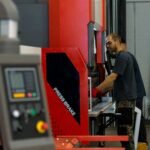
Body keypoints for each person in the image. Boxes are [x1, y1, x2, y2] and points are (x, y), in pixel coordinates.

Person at [92, 33, 137, 150]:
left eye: (109, 43)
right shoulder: (126, 56)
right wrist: (103, 90)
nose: (107, 46)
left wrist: (97, 89)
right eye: (106, 43)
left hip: (125, 100)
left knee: (125, 132)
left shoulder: (122, 57)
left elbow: (112, 77)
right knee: (124, 131)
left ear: (117, 41)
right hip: (125, 98)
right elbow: (116, 82)